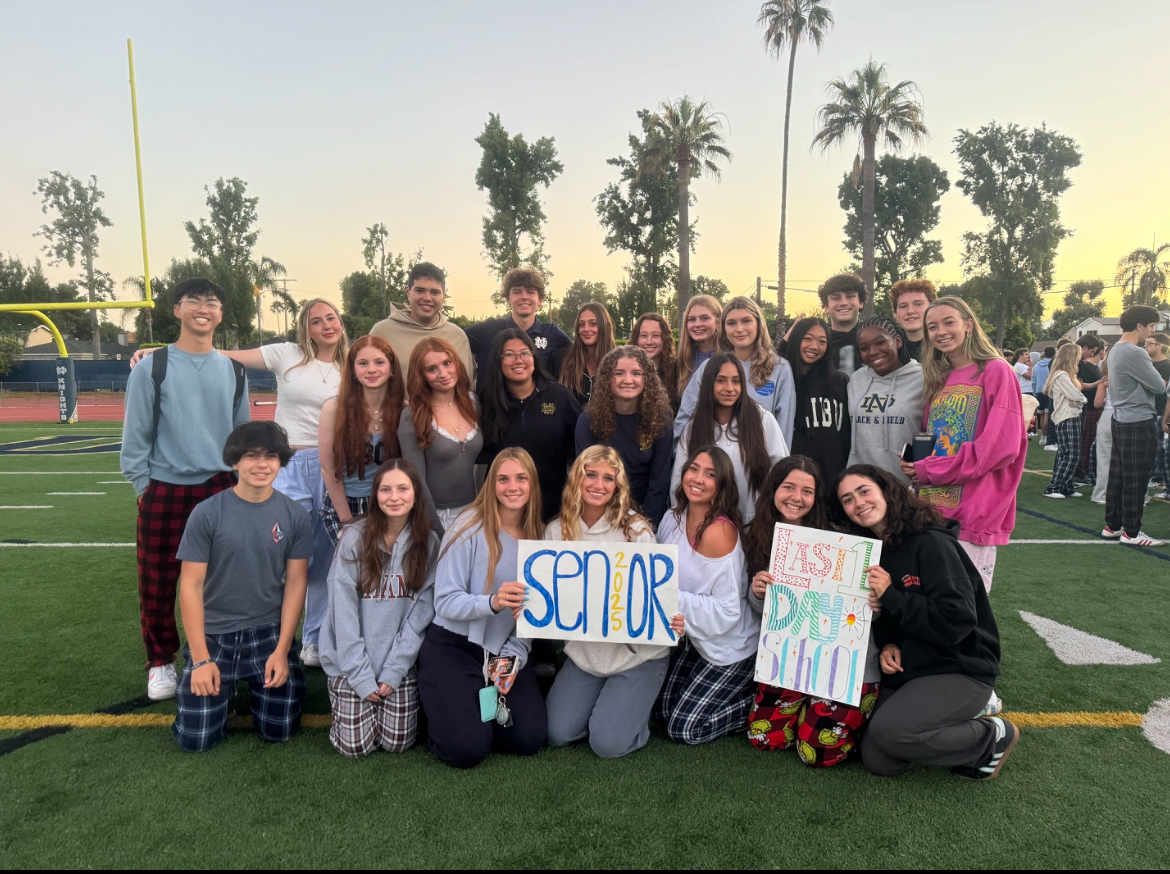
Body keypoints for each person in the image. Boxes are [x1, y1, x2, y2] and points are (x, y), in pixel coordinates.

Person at [131, 297, 349, 671]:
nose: (326, 325)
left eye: (331, 318)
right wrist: (165, 351)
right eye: (316, 321)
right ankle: (258, 634)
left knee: (325, 560)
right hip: (289, 462)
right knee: (279, 552)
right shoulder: (287, 354)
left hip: (333, 464)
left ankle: (312, 639)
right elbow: (223, 354)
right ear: (305, 328)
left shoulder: (351, 362)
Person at [836, 465, 1015, 782]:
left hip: (959, 666)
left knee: (891, 733)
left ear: (887, 490)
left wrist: (892, 595)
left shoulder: (931, 544)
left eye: (864, 491)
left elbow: (955, 622)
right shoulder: (870, 553)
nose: (858, 503)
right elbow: (888, 617)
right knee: (880, 760)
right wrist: (890, 642)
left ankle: (991, 734)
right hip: (914, 666)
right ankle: (940, 723)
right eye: (847, 500)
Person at [120, 278, 250, 700]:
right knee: (158, 579)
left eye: (211, 302)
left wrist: (242, 484)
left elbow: (242, 436)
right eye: (193, 301)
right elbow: (136, 435)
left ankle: (212, 653)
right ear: (176, 310)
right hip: (165, 487)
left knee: (222, 581)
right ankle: (160, 661)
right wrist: (144, 487)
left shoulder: (233, 369)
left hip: (220, 487)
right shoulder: (151, 367)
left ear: (221, 314)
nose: (203, 308)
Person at [172, 422, 311, 752]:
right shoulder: (206, 514)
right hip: (214, 635)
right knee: (197, 739)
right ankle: (220, 687)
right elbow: (190, 587)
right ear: (234, 462)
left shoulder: (294, 515)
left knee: (279, 731)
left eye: (271, 456)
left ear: (281, 462)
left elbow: (295, 583)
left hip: (268, 633)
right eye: (252, 456)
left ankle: (249, 686)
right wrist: (203, 660)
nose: (262, 464)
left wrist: (282, 648)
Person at [744, 457, 880, 767]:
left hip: (847, 666)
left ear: (817, 497)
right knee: (764, 739)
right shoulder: (758, 534)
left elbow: (868, 612)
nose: (796, 497)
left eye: (807, 491)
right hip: (792, 660)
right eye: (788, 487)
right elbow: (763, 612)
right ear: (773, 489)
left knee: (817, 752)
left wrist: (876, 604)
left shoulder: (844, 539)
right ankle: (811, 707)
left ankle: (866, 722)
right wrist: (757, 592)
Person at [417, 448, 547, 769]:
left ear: (533, 484)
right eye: (502, 479)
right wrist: (492, 602)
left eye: (521, 478)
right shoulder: (468, 525)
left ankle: (468, 711)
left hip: (500, 653)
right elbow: (444, 601)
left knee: (528, 739)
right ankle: (445, 712)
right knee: (466, 750)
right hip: (454, 647)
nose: (512, 486)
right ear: (490, 484)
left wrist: (513, 658)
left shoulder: (542, 538)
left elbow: (530, 620)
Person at [544, 447, 675, 758]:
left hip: (638, 656)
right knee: (556, 733)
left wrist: (669, 616)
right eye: (591, 475)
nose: (598, 485)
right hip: (587, 655)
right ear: (577, 477)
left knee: (607, 745)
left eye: (608, 478)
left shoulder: (636, 530)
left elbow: (658, 598)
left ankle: (627, 711)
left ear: (618, 485)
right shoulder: (555, 531)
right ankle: (607, 706)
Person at [902, 296, 1027, 592]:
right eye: (932, 327)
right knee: (931, 599)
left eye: (949, 322)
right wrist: (912, 460)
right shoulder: (939, 377)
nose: (941, 331)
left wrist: (929, 470)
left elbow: (999, 448)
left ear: (968, 324)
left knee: (965, 607)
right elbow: (930, 432)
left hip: (974, 509)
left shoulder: (996, 371)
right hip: (933, 509)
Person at [319, 459, 439, 757]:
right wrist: (359, 674)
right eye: (385, 489)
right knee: (355, 747)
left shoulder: (428, 543)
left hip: (396, 661)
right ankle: (343, 693)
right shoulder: (354, 539)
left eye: (402, 488)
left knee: (396, 743)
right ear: (375, 495)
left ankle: (389, 697)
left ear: (416, 494)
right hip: (351, 661)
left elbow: (421, 614)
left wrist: (395, 668)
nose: (394, 497)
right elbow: (342, 615)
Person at [655, 446, 759, 744]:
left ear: (721, 485)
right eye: (693, 469)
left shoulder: (720, 532)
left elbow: (728, 611)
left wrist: (667, 599)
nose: (698, 478)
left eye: (710, 474)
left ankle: (753, 706)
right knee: (660, 710)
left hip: (730, 647)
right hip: (695, 640)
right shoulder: (671, 520)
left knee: (684, 729)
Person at [671, 352, 789, 524]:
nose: (729, 388)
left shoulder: (762, 420)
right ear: (708, 383)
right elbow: (679, 480)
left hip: (755, 524)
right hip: (707, 525)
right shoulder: (694, 427)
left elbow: (781, 471)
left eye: (736, 381)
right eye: (721, 380)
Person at [479, 329, 582, 522]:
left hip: (553, 510)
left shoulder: (559, 396)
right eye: (509, 355)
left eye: (525, 353)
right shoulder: (487, 402)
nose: (519, 360)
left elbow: (585, 444)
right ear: (497, 361)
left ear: (534, 358)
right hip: (505, 511)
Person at [675, 296, 796, 448]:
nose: (739, 329)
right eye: (731, 323)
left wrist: (780, 468)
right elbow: (685, 417)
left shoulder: (780, 369)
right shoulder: (709, 367)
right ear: (724, 328)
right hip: (713, 465)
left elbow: (784, 427)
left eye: (746, 321)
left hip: (760, 465)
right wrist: (679, 459)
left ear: (758, 323)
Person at [318, 336, 405, 545]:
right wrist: (347, 521)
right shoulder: (334, 409)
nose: (371, 369)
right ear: (353, 371)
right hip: (346, 505)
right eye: (363, 363)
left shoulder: (404, 410)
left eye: (379, 362)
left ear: (392, 368)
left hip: (388, 503)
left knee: (389, 573)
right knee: (355, 573)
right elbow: (328, 469)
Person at [575, 346, 673, 526]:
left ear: (647, 379)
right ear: (607, 379)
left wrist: (645, 522)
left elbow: (659, 480)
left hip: (642, 514)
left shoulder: (660, 421)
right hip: (598, 511)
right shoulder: (588, 421)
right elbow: (584, 477)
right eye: (619, 373)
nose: (628, 380)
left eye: (636, 373)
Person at [398, 337, 481, 531]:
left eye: (447, 363)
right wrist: (435, 529)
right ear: (421, 375)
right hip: (435, 517)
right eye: (432, 369)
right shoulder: (412, 415)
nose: (443, 373)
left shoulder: (473, 403)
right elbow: (415, 478)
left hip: (474, 513)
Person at [1101, 306, 1167, 546]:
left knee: (1118, 476)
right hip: (1138, 420)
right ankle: (1132, 531)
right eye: (1151, 326)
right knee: (1136, 478)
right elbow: (1159, 386)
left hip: (1120, 418)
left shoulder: (1115, 349)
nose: (1152, 331)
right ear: (1139, 325)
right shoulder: (1135, 353)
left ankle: (1113, 525)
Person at [371, 262, 476, 387]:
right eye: (420, 290)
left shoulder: (458, 336)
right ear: (408, 293)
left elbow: (468, 386)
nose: (427, 298)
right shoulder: (383, 332)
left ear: (444, 297)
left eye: (435, 292)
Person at [847, 316, 925, 484]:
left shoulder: (923, 379)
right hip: (861, 486)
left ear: (897, 341)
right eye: (864, 348)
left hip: (905, 488)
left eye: (880, 343)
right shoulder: (856, 380)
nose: (873, 352)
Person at [465, 267, 571, 381]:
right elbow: (450, 343)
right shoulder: (487, 330)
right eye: (517, 292)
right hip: (492, 398)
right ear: (507, 299)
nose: (524, 297)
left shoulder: (552, 334)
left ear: (540, 300)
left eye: (530, 292)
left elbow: (581, 354)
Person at [782, 317, 851, 485]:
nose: (814, 346)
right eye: (807, 338)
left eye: (822, 341)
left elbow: (847, 435)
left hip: (833, 481)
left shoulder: (840, 382)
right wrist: (783, 344)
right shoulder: (784, 381)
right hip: (792, 481)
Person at [1042, 344, 1086, 499]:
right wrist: (1082, 400)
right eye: (1079, 355)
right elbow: (1076, 395)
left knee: (1065, 453)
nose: (1080, 358)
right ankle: (1053, 487)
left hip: (1068, 416)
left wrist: (1078, 400)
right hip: (1067, 417)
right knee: (1071, 454)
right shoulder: (1061, 376)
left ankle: (1066, 486)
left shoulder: (1063, 375)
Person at [560, 301, 616, 406]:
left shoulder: (618, 362)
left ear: (605, 326)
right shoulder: (564, 360)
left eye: (593, 324)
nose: (586, 329)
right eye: (581, 324)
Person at [675, 295, 723, 398]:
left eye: (704, 318)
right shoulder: (682, 362)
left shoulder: (730, 359)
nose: (697, 324)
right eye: (692, 319)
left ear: (718, 322)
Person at [819, 273, 865, 373]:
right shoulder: (819, 344)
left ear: (861, 303)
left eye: (850, 296)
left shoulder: (878, 337)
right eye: (836, 298)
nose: (843, 303)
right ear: (826, 306)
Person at [1074, 335, 1105, 484]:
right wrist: (1098, 384)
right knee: (1084, 442)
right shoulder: (1081, 364)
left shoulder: (1087, 365)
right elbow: (1079, 386)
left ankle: (1081, 471)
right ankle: (1080, 472)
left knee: (1085, 441)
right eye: (1091, 350)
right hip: (1085, 407)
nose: (1091, 354)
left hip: (1089, 407)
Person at [1143, 332, 1170, 495]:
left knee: (1159, 448)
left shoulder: (1166, 366)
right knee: (1150, 447)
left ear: (1160, 346)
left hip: (1160, 410)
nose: (1145, 346)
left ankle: (1159, 478)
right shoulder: (1147, 364)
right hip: (1148, 410)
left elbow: (1161, 388)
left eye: (1149, 344)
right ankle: (1155, 476)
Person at [631, 313, 678, 405]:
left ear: (665, 339)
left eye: (656, 336)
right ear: (636, 338)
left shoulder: (677, 370)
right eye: (643, 336)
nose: (649, 342)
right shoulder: (626, 370)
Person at [891, 278, 937, 362]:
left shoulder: (945, 346)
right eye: (903, 306)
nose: (910, 311)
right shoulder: (888, 350)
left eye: (918, 304)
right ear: (895, 314)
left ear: (932, 308)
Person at [1091, 350, 1113, 504]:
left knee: (1104, 458)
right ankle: (1139, 495)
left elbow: (1097, 403)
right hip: (1129, 416)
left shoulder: (1106, 379)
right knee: (1131, 459)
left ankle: (1101, 494)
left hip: (1107, 416)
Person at [1032, 346, 1056, 446]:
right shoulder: (1053, 365)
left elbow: (1033, 381)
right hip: (1048, 392)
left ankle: (1042, 437)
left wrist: (1034, 393)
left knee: (1041, 415)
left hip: (1038, 392)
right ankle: (1046, 437)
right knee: (1047, 416)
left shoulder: (1036, 366)